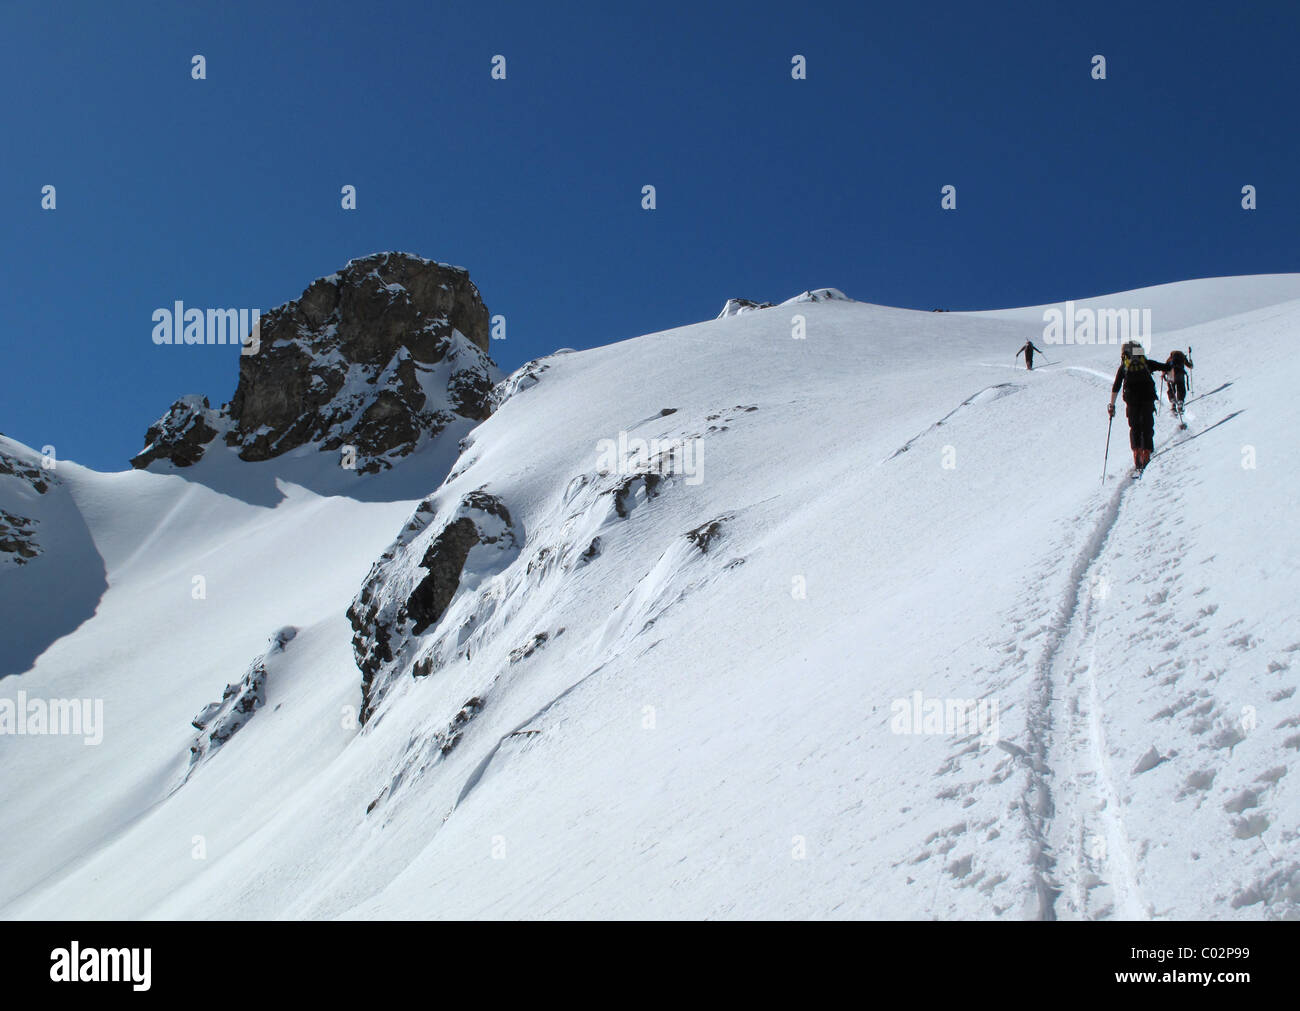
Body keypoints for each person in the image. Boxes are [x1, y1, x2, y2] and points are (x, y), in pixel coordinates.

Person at [1108, 341, 1172, 474]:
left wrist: (1112, 405)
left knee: (1135, 427)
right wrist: (1172, 363)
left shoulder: (1124, 367)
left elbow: (1116, 386)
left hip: (1131, 400)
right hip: (1147, 397)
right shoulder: (1146, 363)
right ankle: (1146, 453)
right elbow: (1165, 367)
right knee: (1147, 426)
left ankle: (1136, 452)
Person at [1165, 348, 1193, 416]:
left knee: (1171, 388)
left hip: (1171, 375)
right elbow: (1190, 366)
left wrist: (1164, 374)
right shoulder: (1182, 358)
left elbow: (1165, 367)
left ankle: (1173, 402)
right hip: (1180, 374)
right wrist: (1191, 362)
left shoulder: (1169, 359)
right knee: (1180, 388)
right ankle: (1180, 402)